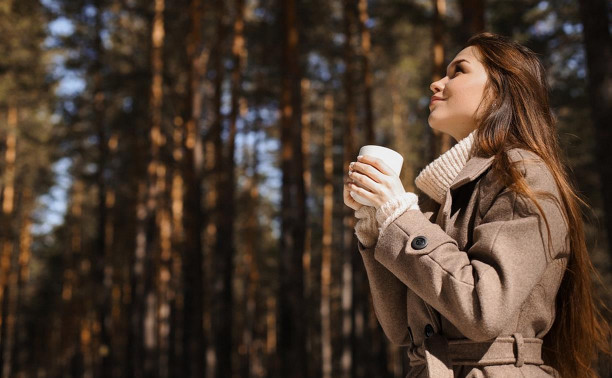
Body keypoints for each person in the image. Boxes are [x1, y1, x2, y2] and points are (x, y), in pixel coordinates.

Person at [343, 32, 610, 378]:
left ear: (500, 90)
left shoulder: (523, 174)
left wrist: (399, 216)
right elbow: (400, 329)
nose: (436, 83)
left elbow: (484, 308)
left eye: (458, 71)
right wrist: (376, 224)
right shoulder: (437, 199)